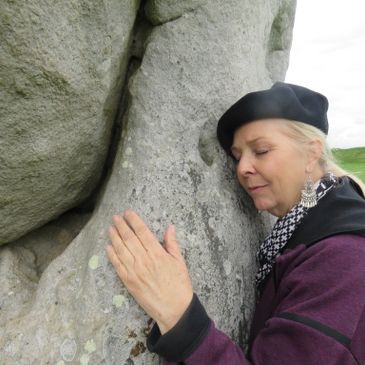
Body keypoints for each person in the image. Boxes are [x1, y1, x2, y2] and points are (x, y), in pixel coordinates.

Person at [106, 82, 365, 364]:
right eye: (238, 156)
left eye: (262, 150)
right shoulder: (313, 227)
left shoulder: (344, 260)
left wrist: (178, 316)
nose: (242, 168)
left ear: (312, 152)